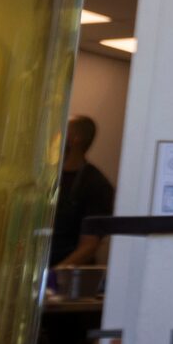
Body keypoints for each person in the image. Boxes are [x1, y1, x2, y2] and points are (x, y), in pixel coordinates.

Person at [50, 115, 115, 269]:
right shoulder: (47, 176)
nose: (54, 137)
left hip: (66, 281)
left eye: (60, 132)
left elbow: (89, 245)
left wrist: (52, 275)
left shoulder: (96, 184)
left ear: (75, 138)